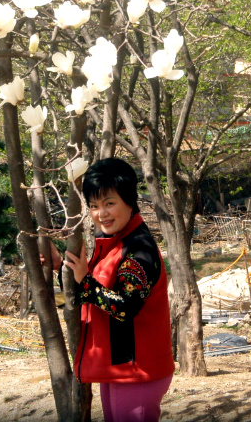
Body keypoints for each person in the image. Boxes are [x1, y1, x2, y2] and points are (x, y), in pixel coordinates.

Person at [63, 158, 175, 422]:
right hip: (118, 368)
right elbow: (89, 293)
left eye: (109, 203)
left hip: (139, 369)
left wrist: (85, 280)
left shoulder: (139, 250)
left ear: (129, 200)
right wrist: (64, 267)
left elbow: (125, 306)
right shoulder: (113, 243)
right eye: (94, 206)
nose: (101, 214)